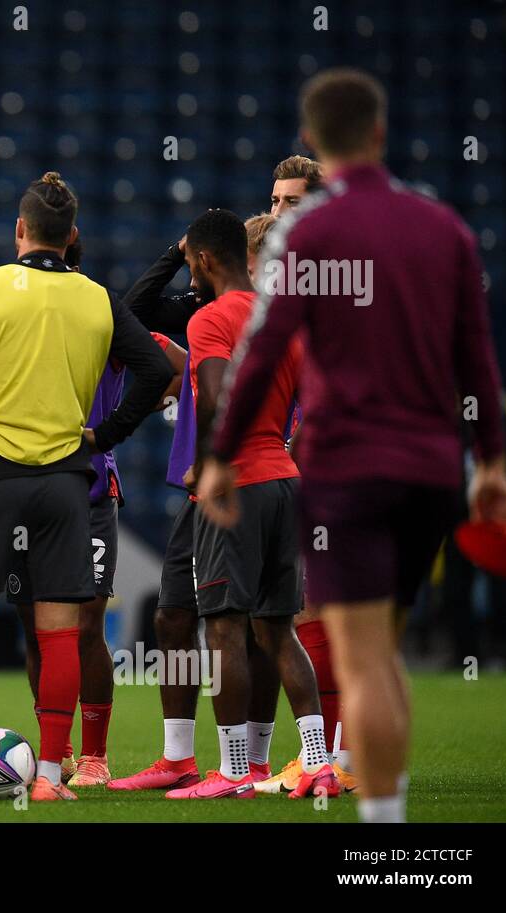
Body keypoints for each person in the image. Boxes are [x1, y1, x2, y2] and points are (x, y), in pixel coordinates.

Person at [198, 68, 506, 822]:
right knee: (387, 653)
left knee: (366, 657)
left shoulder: (305, 235)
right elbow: (479, 357)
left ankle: (383, 832)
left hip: (348, 471)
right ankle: (385, 807)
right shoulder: (444, 227)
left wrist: (220, 454)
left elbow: (264, 351)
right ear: (379, 133)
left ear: (312, 141)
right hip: (435, 468)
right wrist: (494, 462)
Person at [0, 172, 173, 801]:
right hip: (64, 482)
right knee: (60, 634)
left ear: (19, 231)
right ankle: (52, 776)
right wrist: (103, 437)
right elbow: (156, 368)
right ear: (73, 236)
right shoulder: (99, 298)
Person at [167, 209, 334, 800]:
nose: (189, 270)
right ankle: (318, 761)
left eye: (190, 262)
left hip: (238, 485)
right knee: (279, 628)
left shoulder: (210, 319)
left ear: (206, 260)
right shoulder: (278, 319)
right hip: (285, 480)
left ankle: (236, 770)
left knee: (224, 630)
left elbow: (214, 397)